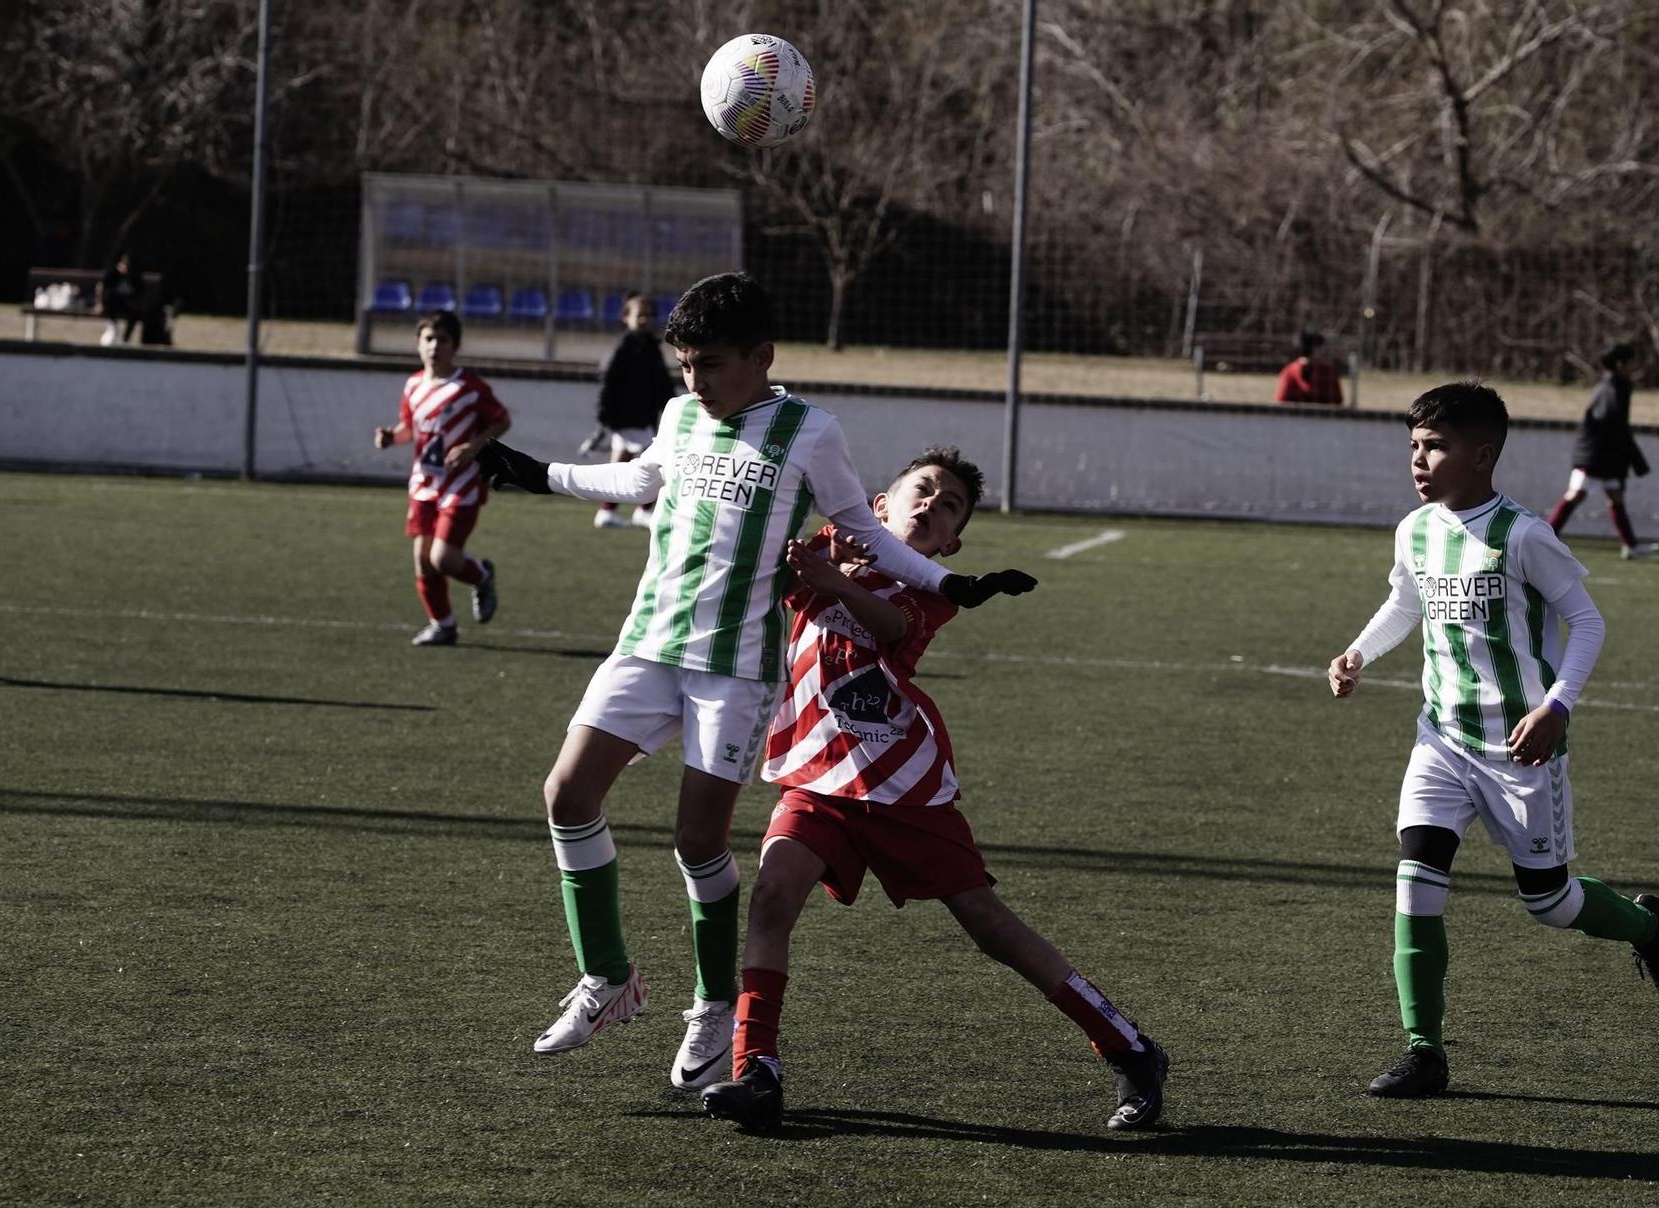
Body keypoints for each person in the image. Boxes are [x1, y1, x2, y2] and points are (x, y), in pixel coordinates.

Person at [473, 271, 1037, 1092]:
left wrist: (951, 586)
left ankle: (711, 1008)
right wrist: (534, 471)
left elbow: (864, 533)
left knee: (696, 841)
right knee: (567, 792)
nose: (695, 382)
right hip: (648, 643)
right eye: (686, 366)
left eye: (710, 366)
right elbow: (638, 481)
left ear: (762, 358)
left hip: (734, 669)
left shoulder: (809, 431)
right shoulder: (678, 416)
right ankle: (609, 978)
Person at [697, 447, 1168, 1132]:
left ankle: (1130, 1046)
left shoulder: (927, 588)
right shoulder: (830, 542)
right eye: (921, 489)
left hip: (901, 784)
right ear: (878, 502)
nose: (930, 505)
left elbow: (889, 628)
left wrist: (832, 582)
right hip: (816, 777)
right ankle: (757, 1069)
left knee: (991, 927)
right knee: (771, 896)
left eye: (948, 506)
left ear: (953, 541)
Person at [1325, 380, 1659, 1099]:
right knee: (1415, 884)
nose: (1420, 459)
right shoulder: (1416, 529)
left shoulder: (1523, 534)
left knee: (1549, 903)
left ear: (1482, 454)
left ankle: (1647, 927)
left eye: (1436, 445)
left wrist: (1557, 706)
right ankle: (1423, 1049)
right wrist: (1359, 652)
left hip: (1521, 750)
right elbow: (1406, 599)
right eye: (1414, 446)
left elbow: (1587, 621)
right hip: (1442, 741)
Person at [373, 309, 509, 645]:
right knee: (422, 560)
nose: (434, 346)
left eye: (442, 340)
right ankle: (443, 624)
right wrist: (392, 436)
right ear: (418, 344)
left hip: (462, 485)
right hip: (424, 484)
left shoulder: (470, 387)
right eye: (428, 339)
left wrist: (473, 447)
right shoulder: (413, 385)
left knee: (443, 558)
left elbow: (501, 421)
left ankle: (481, 576)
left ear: (455, 346)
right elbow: (410, 429)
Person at [1546, 343, 1658, 559]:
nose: (1634, 366)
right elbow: (1614, 425)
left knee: (1615, 497)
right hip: (1596, 455)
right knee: (1576, 494)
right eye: (1631, 361)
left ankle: (1630, 545)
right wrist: (1635, 459)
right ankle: (1544, 538)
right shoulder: (1614, 388)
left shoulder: (1612, 385)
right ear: (1620, 363)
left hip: (1605, 455)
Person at [589, 292, 677, 530]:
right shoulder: (624, 347)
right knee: (657, 463)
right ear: (625, 317)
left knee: (623, 464)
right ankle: (643, 509)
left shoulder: (650, 346)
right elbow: (608, 383)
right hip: (628, 418)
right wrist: (605, 416)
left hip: (641, 417)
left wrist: (671, 405)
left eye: (649, 315)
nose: (645, 320)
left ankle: (608, 511)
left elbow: (661, 383)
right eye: (640, 315)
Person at [1273, 331, 1344, 406]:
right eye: (1319, 347)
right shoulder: (1328, 371)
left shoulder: (1289, 370)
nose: (1323, 350)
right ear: (1314, 349)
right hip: (1323, 415)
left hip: (1294, 415)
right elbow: (1337, 400)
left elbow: (1280, 401)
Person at [95, 254, 144, 346]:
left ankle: (125, 340)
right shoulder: (113, 273)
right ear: (121, 264)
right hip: (113, 304)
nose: (127, 269)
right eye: (126, 266)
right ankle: (112, 326)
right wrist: (99, 304)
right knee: (111, 298)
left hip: (126, 304)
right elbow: (101, 287)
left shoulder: (135, 276)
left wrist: (136, 303)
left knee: (136, 313)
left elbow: (139, 293)